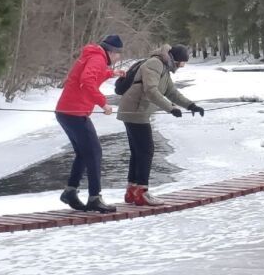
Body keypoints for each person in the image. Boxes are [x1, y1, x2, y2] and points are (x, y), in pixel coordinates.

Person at [117, 43, 204, 206]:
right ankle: (142, 192)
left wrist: (191, 106)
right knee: (146, 150)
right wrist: (170, 108)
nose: (182, 66)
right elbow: (151, 90)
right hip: (135, 111)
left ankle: (132, 190)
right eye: (182, 63)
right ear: (176, 59)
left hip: (137, 110)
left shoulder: (164, 67)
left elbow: (172, 92)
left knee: (138, 152)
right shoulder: (155, 64)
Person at [54, 34, 125, 213]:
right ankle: (94, 198)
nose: (118, 58)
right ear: (111, 51)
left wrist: (112, 73)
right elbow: (86, 81)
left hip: (66, 112)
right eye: (118, 54)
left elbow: (91, 74)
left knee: (83, 153)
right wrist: (103, 103)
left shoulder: (94, 56)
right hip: (74, 112)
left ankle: (70, 192)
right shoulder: (98, 59)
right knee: (94, 152)